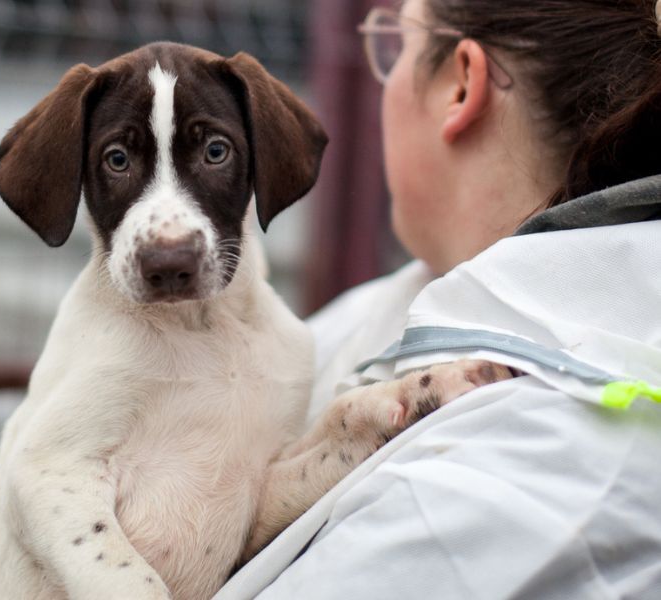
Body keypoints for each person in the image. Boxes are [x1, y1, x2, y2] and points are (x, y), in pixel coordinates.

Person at [215, 0, 661, 597]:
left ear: (461, 85)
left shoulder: (500, 480)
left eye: (397, 42)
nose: (387, 79)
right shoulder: (412, 295)